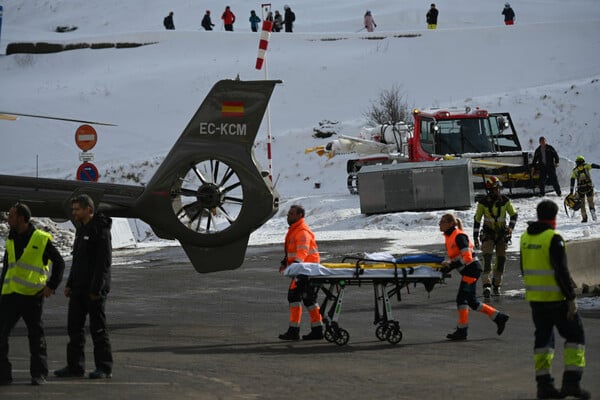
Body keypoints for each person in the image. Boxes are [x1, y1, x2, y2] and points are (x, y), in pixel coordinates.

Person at [520, 200, 590, 399]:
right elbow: (562, 271)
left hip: (536, 300)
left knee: (543, 341)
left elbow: (524, 269)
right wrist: (571, 298)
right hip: (556, 300)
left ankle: (544, 386)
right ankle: (571, 383)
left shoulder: (525, 237)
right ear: (554, 216)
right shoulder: (553, 238)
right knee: (576, 337)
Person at [0, 203, 65, 386]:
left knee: (36, 336)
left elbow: (59, 263)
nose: (8, 219)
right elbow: (7, 268)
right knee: (1, 335)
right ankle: (3, 375)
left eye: (11, 216)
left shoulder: (41, 239)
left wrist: (51, 285)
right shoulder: (11, 239)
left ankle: (39, 373)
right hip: (10, 295)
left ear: (21, 218)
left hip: (31, 296)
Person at [54, 194, 113, 380]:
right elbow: (78, 260)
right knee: (74, 329)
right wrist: (70, 284)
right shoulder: (81, 230)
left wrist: (97, 289)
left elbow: (103, 263)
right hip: (78, 289)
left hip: (94, 291)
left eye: (77, 209)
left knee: (98, 330)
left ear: (88, 209)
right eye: (73, 210)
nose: (74, 213)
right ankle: (75, 367)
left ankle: (104, 368)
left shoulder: (100, 230)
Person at [438, 213, 509, 341]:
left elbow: (467, 257)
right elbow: (458, 256)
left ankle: (462, 330)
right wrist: (449, 264)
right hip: (469, 270)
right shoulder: (450, 236)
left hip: (471, 270)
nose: (439, 224)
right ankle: (499, 317)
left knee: (461, 299)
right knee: (472, 301)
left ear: (450, 223)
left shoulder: (459, 236)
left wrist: (451, 265)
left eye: (442, 222)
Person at [278, 205, 323, 341]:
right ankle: (316, 329)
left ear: (299, 216)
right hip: (303, 270)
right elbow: (291, 250)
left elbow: (302, 252)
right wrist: (285, 262)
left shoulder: (302, 232)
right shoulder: (295, 230)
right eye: (288, 214)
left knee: (296, 297)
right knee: (308, 299)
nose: (288, 216)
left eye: (291, 214)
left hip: (306, 271)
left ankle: (295, 331)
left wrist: (296, 265)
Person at [473, 176, 518, 298]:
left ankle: (497, 285)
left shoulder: (505, 201)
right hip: (488, 234)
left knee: (501, 260)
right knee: (487, 259)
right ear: (490, 190)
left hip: (502, 235)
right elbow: (477, 220)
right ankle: (486, 285)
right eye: (495, 188)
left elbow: (514, 215)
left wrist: (510, 228)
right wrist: (475, 237)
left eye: (498, 188)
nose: (497, 191)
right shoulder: (483, 203)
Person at [569, 155, 600, 223]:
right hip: (589, 187)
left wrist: (571, 192)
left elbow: (572, 180)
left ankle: (584, 218)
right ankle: (592, 210)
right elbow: (593, 165)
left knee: (582, 204)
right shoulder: (586, 166)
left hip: (581, 190)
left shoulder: (575, 170)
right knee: (590, 201)